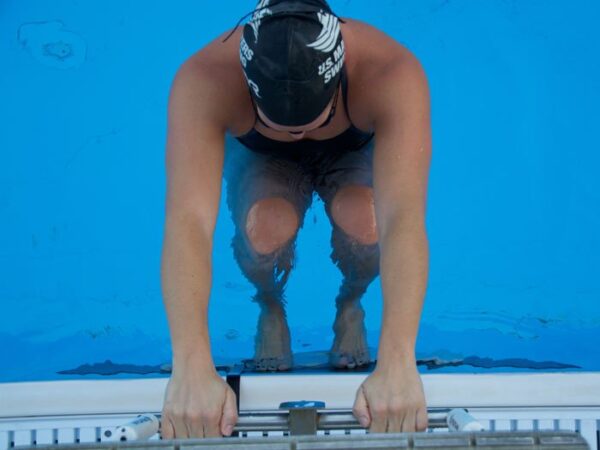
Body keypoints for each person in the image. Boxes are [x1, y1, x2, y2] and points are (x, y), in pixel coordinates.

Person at [160, 0, 431, 440]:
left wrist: (399, 359)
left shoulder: (390, 73)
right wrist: (191, 365)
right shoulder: (205, 79)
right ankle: (269, 303)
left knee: (368, 224)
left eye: (315, 120)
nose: (301, 136)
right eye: (283, 126)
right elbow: (188, 221)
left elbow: (404, 218)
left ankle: (351, 303)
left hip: (354, 150)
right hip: (262, 160)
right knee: (264, 230)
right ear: (248, 86)